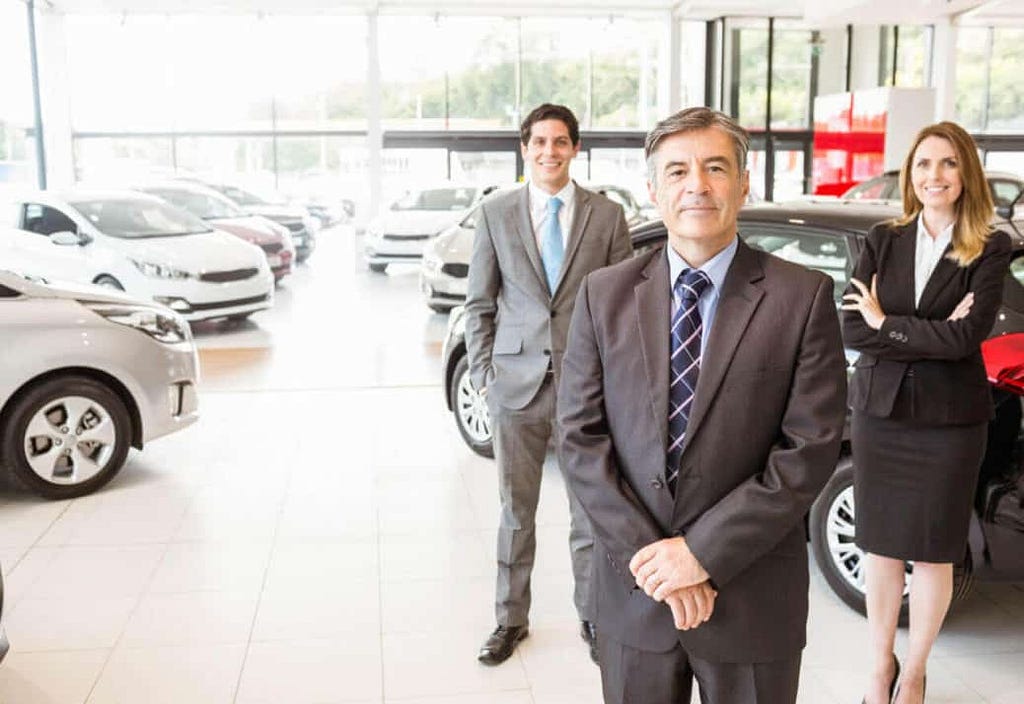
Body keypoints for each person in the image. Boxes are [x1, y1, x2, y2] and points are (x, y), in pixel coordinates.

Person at [557, 106, 847, 703]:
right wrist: (658, 562)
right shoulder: (602, 295)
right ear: (653, 190)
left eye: (716, 167)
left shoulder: (802, 296)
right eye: (678, 170)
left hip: (751, 597)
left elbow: (808, 452)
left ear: (743, 183)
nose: (697, 185)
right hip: (637, 595)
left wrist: (702, 554)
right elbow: (581, 441)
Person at [842, 121, 1012, 704]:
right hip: (881, 415)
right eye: (922, 164)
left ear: (966, 173)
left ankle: (913, 673)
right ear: (910, 175)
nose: (933, 176)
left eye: (946, 164)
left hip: (948, 422)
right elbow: (848, 326)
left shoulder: (990, 244)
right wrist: (932, 332)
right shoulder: (881, 239)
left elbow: (967, 340)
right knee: (881, 548)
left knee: (934, 551)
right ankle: (878, 669)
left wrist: (885, 323)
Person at [465, 103, 632, 666]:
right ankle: (509, 620)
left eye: (560, 142)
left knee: (590, 514)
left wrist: (618, 380)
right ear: (524, 148)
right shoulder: (495, 212)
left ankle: (592, 616)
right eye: (538, 142)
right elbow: (478, 304)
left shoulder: (606, 216)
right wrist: (487, 375)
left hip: (587, 390)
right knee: (517, 514)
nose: (549, 152)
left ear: (575, 148)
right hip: (515, 387)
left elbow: (624, 305)